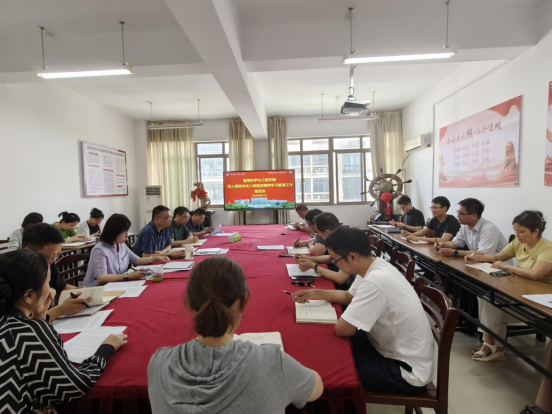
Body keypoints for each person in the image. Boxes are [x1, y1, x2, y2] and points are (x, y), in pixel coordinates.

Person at [148, 257, 323, 413]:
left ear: (189, 304)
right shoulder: (273, 363)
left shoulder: (158, 363)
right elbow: (315, 389)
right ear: (244, 301)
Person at [291, 226, 435, 394]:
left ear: (352, 257)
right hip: (395, 351)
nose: (335, 264)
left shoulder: (375, 281)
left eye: (335, 260)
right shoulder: (373, 265)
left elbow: (343, 329)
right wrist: (314, 293)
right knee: (328, 348)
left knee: (332, 365)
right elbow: (348, 296)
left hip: (404, 371)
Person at [0, 250, 127, 413]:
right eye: (48, 283)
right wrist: (106, 349)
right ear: (29, 296)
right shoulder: (26, 331)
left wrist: (40, 316)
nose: (51, 289)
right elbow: (74, 386)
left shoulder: (10, 323)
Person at [466, 211, 552, 362]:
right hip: (523, 290)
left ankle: (491, 345)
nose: (517, 235)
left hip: (541, 297)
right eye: (515, 231)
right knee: (488, 299)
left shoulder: (547, 248)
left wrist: (506, 267)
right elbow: (498, 257)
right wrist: (478, 258)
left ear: (536, 231)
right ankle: (493, 346)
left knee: (492, 305)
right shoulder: (518, 243)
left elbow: (535, 274)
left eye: (521, 231)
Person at [83, 214, 170, 287]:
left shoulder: (121, 245)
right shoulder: (99, 250)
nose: (127, 235)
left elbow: (137, 260)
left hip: (117, 284)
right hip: (99, 289)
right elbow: (101, 278)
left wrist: (156, 258)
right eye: (124, 232)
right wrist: (127, 276)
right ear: (114, 232)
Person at [22, 224, 87, 321]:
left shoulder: (48, 262)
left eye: (56, 255)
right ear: (28, 251)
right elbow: (22, 324)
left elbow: (61, 285)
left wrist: (83, 292)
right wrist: (61, 310)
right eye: (50, 256)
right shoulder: (17, 274)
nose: (54, 261)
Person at [294, 212, 355, 289]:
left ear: (327, 232)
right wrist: (308, 258)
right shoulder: (340, 236)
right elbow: (331, 258)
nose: (318, 236)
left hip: (349, 286)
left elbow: (340, 279)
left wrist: (313, 266)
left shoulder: (346, 242)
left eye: (319, 232)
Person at [436, 198, 508, 258]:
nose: (457, 216)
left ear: (474, 216)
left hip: (498, 266)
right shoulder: (465, 226)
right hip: (477, 261)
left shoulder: (489, 228)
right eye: (457, 212)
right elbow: (456, 243)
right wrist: (443, 244)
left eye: (461, 213)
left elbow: (483, 253)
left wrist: (455, 252)